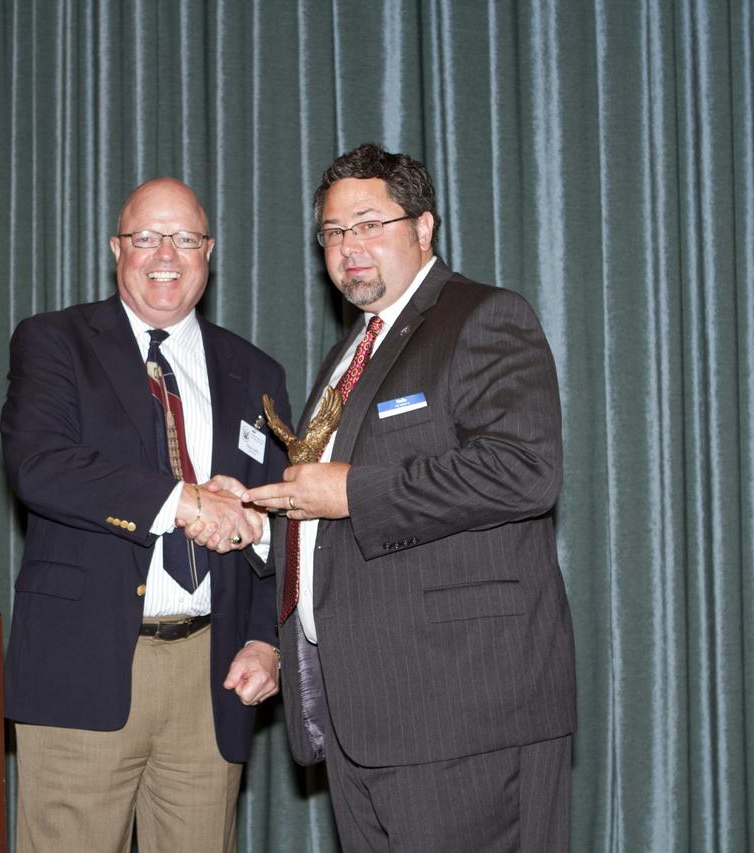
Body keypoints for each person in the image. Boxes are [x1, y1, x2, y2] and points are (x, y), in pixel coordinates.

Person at [242, 144, 577, 852]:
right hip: (364, 719)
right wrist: (259, 522)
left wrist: (352, 490)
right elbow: (327, 514)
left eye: (369, 223)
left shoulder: (484, 317)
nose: (348, 246)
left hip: (464, 710)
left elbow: (524, 470)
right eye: (333, 232)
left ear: (424, 228)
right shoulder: (347, 356)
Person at [1, 177, 290, 852]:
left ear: (208, 251)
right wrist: (183, 500)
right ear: (116, 248)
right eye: (146, 236)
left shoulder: (257, 372)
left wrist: (265, 637)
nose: (167, 252)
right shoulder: (55, 343)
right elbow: (39, 466)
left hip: (210, 675)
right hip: (84, 663)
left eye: (185, 237)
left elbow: (282, 519)